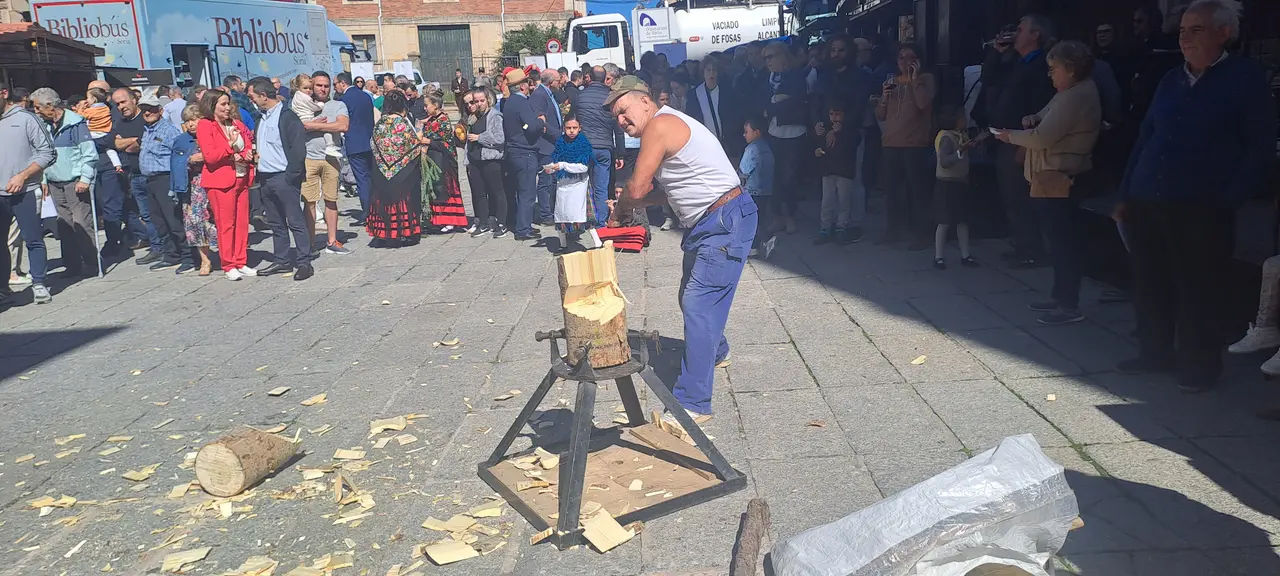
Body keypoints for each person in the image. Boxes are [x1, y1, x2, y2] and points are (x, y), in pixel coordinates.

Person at [1114, 0, 1276, 393]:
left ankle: (1199, 366)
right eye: (1183, 30)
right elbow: (1146, 136)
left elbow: (1260, 148)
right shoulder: (1172, 79)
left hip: (1203, 203)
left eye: (1196, 29)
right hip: (1149, 195)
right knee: (1150, 281)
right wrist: (1125, 192)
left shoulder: (1244, 78)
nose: (1185, 38)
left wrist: (1230, 197)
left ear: (1224, 33)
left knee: (1200, 288)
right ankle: (1154, 352)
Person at [606, 76, 757, 425]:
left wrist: (622, 211)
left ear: (645, 101)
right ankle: (715, 352)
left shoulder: (659, 125)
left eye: (624, 110)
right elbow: (670, 190)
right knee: (691, 295)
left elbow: (637, 188)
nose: (622, 121)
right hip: (711, 220)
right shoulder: (665, 125)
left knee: (698, 303)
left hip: (723, 219)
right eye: (616, 117)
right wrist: (636, 203)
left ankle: (693, 404)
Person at [994, 41, 1101, 324]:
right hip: (1051, 176)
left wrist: (1010, 136)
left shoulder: (1077, 95)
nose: (1050, 74)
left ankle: (1069, 305)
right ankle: (1060, 296)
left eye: (1054, 69)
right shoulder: (1068, 92)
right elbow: (1044, 115)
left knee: (1063, 243)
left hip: (1061, 177)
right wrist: (1033, 118)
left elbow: (1043, 137)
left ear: (1071, 68)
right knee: (1057, 241)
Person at [983, 14, 1058, 268]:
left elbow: (1040, 106)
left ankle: (1032, 250)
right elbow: (989, 79)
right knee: (1011, 196)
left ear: (1035, 34)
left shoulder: (1041, 66)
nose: (1015, 33)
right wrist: (996, 53)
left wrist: (1025, 146)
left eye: (1021, 29)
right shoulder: (1016, 62)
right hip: (1006, 137)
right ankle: (1022, 245)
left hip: (1022, 142)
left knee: (1022, 198)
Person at [247, 77, 313, 280]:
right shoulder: (260, 118)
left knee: (295, 221)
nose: (251, 100)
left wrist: (291, 176)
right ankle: (282, 260)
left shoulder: (287, 117)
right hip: (265, 178)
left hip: (284, 176)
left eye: (252, 96)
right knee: (276, 223)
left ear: (263, 95)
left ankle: (304, 262)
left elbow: (298, 148)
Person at [30, 88, 98, 277]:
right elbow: (42, 155)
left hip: (74, 181)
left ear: (50, 106)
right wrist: (43, 178)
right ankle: (72, 265)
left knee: (81, 223)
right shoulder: (44, 126)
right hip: (54, 182)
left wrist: (85, 179)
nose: (35, 111)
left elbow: (89, 154)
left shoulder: (75, 124)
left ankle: (92, 263)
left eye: (38, 107)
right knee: (64, 225)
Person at [875, 43, 936, 251]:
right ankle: (893, 230)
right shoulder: (891, 81)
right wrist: (884, 97)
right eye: (901, 57)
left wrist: (915, 78)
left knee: (917, 191)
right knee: (892, 191)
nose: (904, 61)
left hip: (914, 143)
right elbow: (880, 115)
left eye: (910, 57)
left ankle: (922, 233)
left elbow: (922, 104)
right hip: (891, 143)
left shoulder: (926, 80)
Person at [0, 86, 55, 305]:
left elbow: (48, 152)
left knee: (33, 239)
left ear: (4, 93)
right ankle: (3, 289)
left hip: (26, 191)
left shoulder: (26, 119)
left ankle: (39, 283)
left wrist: (22, 176)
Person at [195, 89, 256, 281]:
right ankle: (228, 264)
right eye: (223, 104)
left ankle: (241, 260)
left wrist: (247, 153)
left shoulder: (236, 123)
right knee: (226, 224)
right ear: (212, 106)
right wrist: (230, 146)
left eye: (228, 103)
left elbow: (248, 143)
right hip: (220, 182)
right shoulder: (205, 125)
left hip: (241, 178)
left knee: (242, 222)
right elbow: (211, 156)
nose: (228, 107)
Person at [134, 93, 194, 273]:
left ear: (160, 110)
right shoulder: (147, 130)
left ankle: (189, 257)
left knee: (174, 220)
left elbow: (180, 155)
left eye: (151, 109)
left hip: (165, 179)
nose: (147, 113)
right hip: (150, 180)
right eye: (144, 110)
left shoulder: (169, 130)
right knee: (159, 221)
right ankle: (171, 255)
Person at [365, 90, 423, 247]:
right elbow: (414, 146)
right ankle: (406, 231)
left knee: (383, 201)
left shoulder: (380, 124)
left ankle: (383, 233)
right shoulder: (403, 124)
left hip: (381, 170)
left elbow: (373, 144)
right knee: (403, 200)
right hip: (403, 170)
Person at [112, 88, 163, 263]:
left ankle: (170, 248)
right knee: (146, 215)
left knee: (160, 213)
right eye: (117, 104)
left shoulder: (145, 118)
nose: (121, 107)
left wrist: (129, 143)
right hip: (134, 175)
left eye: (123, 102)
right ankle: (157, 247)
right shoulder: (120, 123)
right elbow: (116, 143)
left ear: (134, 100)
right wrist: (132, 141)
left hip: (152, 174)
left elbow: (143, 143)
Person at [763, 41, 809, 236]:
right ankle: (777, 216)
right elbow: (763, 104)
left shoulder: (797, 75)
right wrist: (778, 100)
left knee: (789, 177)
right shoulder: (767, 79)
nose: (768, 61)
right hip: (774, 132)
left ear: (782, 56)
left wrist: (775, 103)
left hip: (794, 132)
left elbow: (797, 101)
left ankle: (790, 216)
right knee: (774, 177)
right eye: (766, 58)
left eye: (771, 56)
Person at [301, 71, 350, 254]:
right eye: (319, 85)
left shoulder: (337, 105)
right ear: (312, 86)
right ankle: (310, 244)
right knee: (309, 202)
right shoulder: (302, 104)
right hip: (309, 158)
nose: (323, 89)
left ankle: (332, 240)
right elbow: (296, 127)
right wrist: (325, 126)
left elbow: (343, 126)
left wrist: (313, 126)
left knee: (331, 200)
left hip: (330, 158)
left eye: (326, 86)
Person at [932, 105, 982, 270]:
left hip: (960, 182)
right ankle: (939, 257)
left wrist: (973, 144)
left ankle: (965, 255)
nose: (965, 120)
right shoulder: (947, 137)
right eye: (962, 117)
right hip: (947, 184)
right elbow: (944, 162)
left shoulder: (960, 135)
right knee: (944, 221)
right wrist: (960, 151)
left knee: (962, 220)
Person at [575, 66, 625, 227]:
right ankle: (600, 221)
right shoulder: (610, 97)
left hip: (583, 146)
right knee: (601, 186)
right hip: (604, 147)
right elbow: (618, 129)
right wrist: (620, 154)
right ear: (605, 79)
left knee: (581, 184)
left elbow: (573, 121)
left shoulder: (580, 96)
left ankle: (582, 218)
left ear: (589, 77)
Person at [171, 104, 217, 276]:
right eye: (187, 121)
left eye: (194, 120)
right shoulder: (181, 140)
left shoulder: (213, 135)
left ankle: (225, 253)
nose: (191, 124)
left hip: (213, 181)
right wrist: (189, 160)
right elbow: (175, 164)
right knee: (195, 222)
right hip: (192, 186)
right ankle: (205, 260)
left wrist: (206, 157)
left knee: (215, 220)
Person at [502, 68, 546, 241]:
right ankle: (523, 229)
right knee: (527, 192)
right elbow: (531, 126)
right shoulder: (521, 103)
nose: (529, 85)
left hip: (514, 151)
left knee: (520, 191)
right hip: (525, 152)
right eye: (527, 82)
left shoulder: (509, 102)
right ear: (522, 86)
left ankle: (522, 223)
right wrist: (540, 122)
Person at [812, 99, 861, 245]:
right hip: (828, 171)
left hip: (845, 171)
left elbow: (854, 144)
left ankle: (841, 228)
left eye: (838, 114)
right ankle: (825, 228)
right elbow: (818, 147)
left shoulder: (851, 130)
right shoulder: (824, 129)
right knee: (827, 201)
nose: (834, 117)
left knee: (844, 201)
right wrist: (817, 150)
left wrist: (840, 132)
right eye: (831, 114)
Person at [546, 115, 597, 252]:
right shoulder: (560, 143)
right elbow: (556, 161)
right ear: (564, 128)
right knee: (561, 215)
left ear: (580, 128)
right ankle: (563, 244)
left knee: (582, 216)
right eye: (568, 128)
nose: (572, 130)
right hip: (563, 184)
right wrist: (551, 168)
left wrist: (563, 165)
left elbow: (583, 167)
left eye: (574, 127)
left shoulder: (583, 144)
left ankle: (597, 242)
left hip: (579, 185)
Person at [420, 94, 469, 233]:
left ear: (435, 105)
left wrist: (429, 141)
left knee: (446, 189)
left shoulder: (443, 121)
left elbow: (447, 144)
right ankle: (438, 220)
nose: (424, 108)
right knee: (435, 189)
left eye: (426, 105)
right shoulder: (431, 120)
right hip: (432, 160)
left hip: (444, 161)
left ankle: (451, 220)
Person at [464, 88, 508, 238]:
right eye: (476, 101)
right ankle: (483, 223)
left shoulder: (495, 116)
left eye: (482, 100)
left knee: (497, 192)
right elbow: (468, 141)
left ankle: (501, 223)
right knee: (479, 193)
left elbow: (499, 138)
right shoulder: (473, 118)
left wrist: (480, 138)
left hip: (491, 160)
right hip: (475, 160)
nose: (479, 104)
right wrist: (467, 160)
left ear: (488, 100)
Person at [337, 72, 375, 228]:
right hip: (369, 141)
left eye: (335, 84)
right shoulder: (365, 96)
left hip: (354, 143)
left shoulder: (344, 100)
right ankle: (375, 209)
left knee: (362, 180)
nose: (335, 87)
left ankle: (367, 212)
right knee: (370, 178)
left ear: (342, 83)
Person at [530, 68, 563, 227]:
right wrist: (558, 134)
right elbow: (541, 122)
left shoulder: (550, 94)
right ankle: (545, 214)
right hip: (545, 146)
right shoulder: (539, 95)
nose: (560, 83)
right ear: (551, 82)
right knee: (546, 180)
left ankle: (552, 209)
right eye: (558, 80)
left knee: (553, 180)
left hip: (553, 145)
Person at [740, 116, 776, 259]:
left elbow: (743, 171)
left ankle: (760, 242)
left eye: (746, 131)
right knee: (760, 217)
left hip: (752, 191)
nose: (744, 135)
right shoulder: (767, 148)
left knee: (751, 220)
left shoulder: (751, 149)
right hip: (766, 190)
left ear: (757, 132)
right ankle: (761, 242)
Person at [79, 88, 124, 174]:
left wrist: (81, 108)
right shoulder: (106, 108)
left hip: (93, 132)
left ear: (94, 99)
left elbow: (80, 116)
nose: (86, 100)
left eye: (88, 97)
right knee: (110, 150)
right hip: (105, 132)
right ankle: (118, 165)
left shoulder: (90, 111)